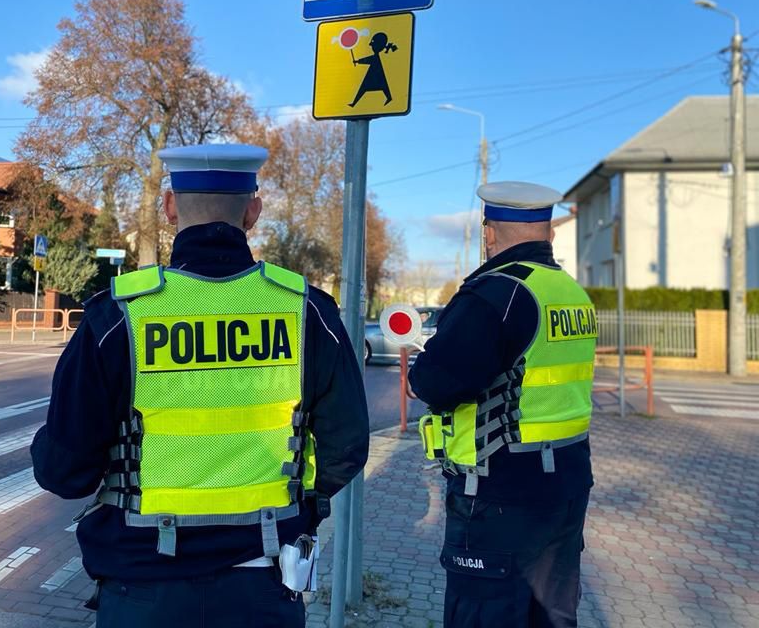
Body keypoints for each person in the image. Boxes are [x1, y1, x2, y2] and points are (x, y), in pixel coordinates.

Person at [31, 143, 369, 628]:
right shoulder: (307, 311)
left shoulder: (117, 314)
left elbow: (64, 473)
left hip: (143, 586)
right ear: (253, 211)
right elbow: (346, 447)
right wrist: (298, 505)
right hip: (265, 583)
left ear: (169, 206)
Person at [410, 181, 596, 628]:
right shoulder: (569, 291)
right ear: (548, 234)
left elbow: (435, 382)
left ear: (489, 233)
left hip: (500, 494)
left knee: (485, 614)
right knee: (551, 617)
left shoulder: (498, 293)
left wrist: (424, 363)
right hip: (566, 484)